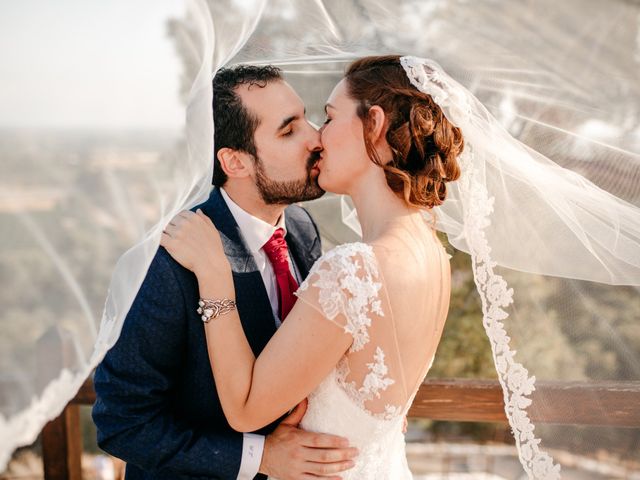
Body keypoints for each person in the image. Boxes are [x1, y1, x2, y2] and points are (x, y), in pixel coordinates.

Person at [161, 55, 462, 479]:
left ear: (373, 126)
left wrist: (215, 279)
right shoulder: (430, 251)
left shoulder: (353, 270)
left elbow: (246, 409)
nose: (318, 137)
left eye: (329, 117)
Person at [92, 65, 359, 480]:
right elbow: (122, 422)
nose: (314, 138)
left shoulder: (302, 227)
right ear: (234, 162)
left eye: (306, 118)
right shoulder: (166, 262)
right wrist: (261, 458)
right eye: (288, 131)